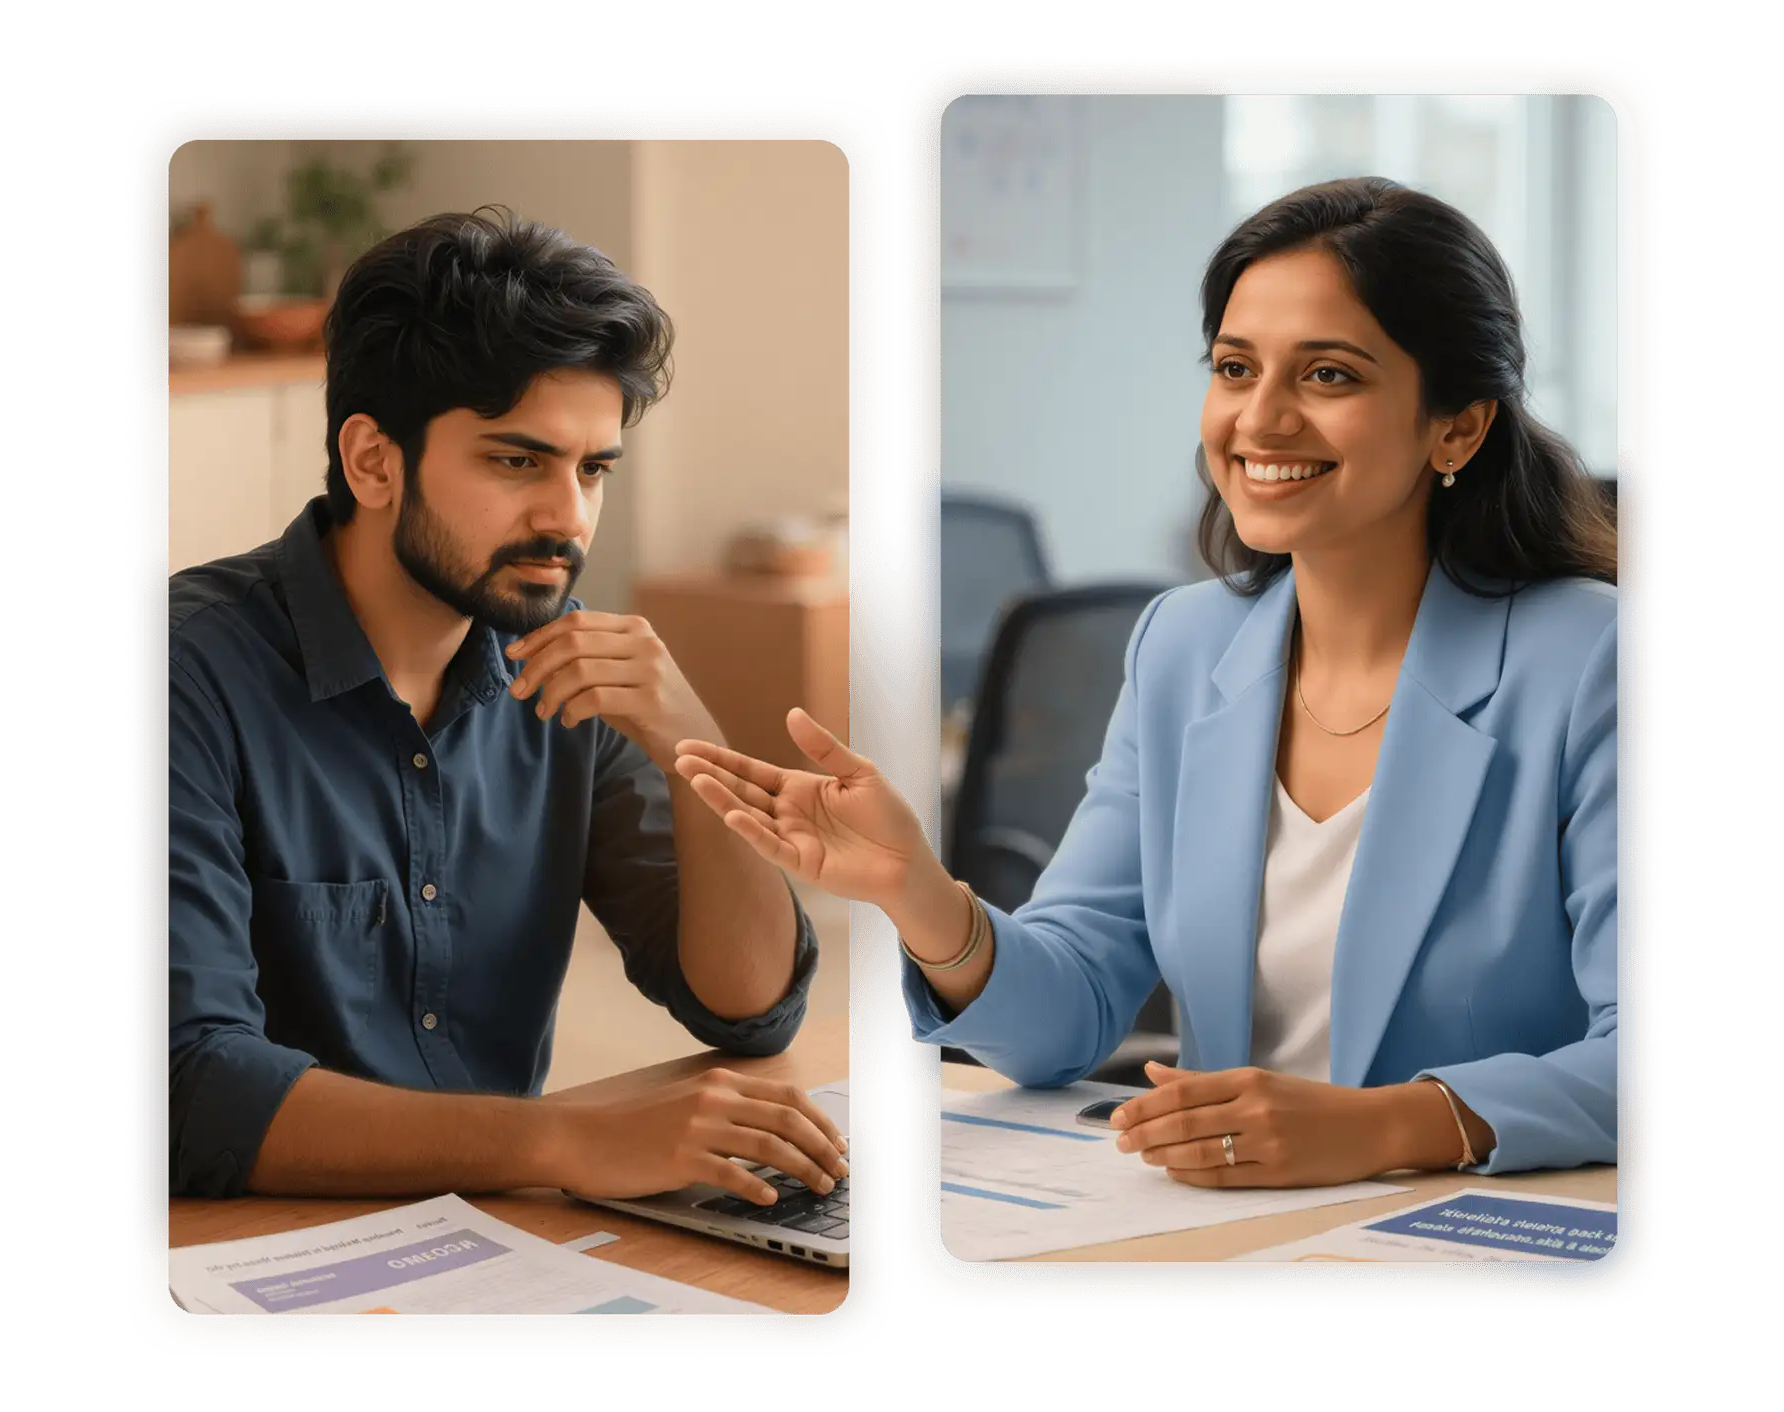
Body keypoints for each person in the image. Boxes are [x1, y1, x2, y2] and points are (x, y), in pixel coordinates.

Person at [675, 177, 1622, 1189]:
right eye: (1234, 366)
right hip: (1226, 1235)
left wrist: (1393, 1125)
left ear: (1458, 428)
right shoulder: (1183, 646)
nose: (1260, 419)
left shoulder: (1593, 658)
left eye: (1331, 375)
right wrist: (921, 893)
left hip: (1484, 1235)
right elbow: (1070, 1007)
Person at [169, 210, 846, 1207]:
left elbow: (748, 1007)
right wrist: (567, 1140)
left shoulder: (563, 670)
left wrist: (691, 743)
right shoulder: (184, 670)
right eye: (516, 461)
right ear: (373, 462)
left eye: (593, 469)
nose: (568, 517)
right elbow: (189, 1087)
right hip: (236, 1266)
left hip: (498, 1246)